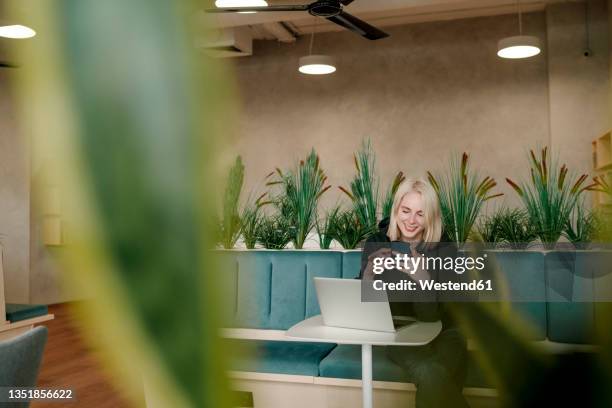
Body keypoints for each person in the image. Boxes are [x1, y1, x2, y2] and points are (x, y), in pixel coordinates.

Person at [359, 178, 469, 408]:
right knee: (431, 372)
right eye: (406, 211)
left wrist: (421, 278)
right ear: (396, 209)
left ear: (431, 216)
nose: (411, 220)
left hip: (446, 331)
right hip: (399, 334)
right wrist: (367, 276)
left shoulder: (444, 248)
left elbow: (431, 317)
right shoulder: (377, 242)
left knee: (433, 374)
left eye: (420, 213)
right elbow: (365, 309)